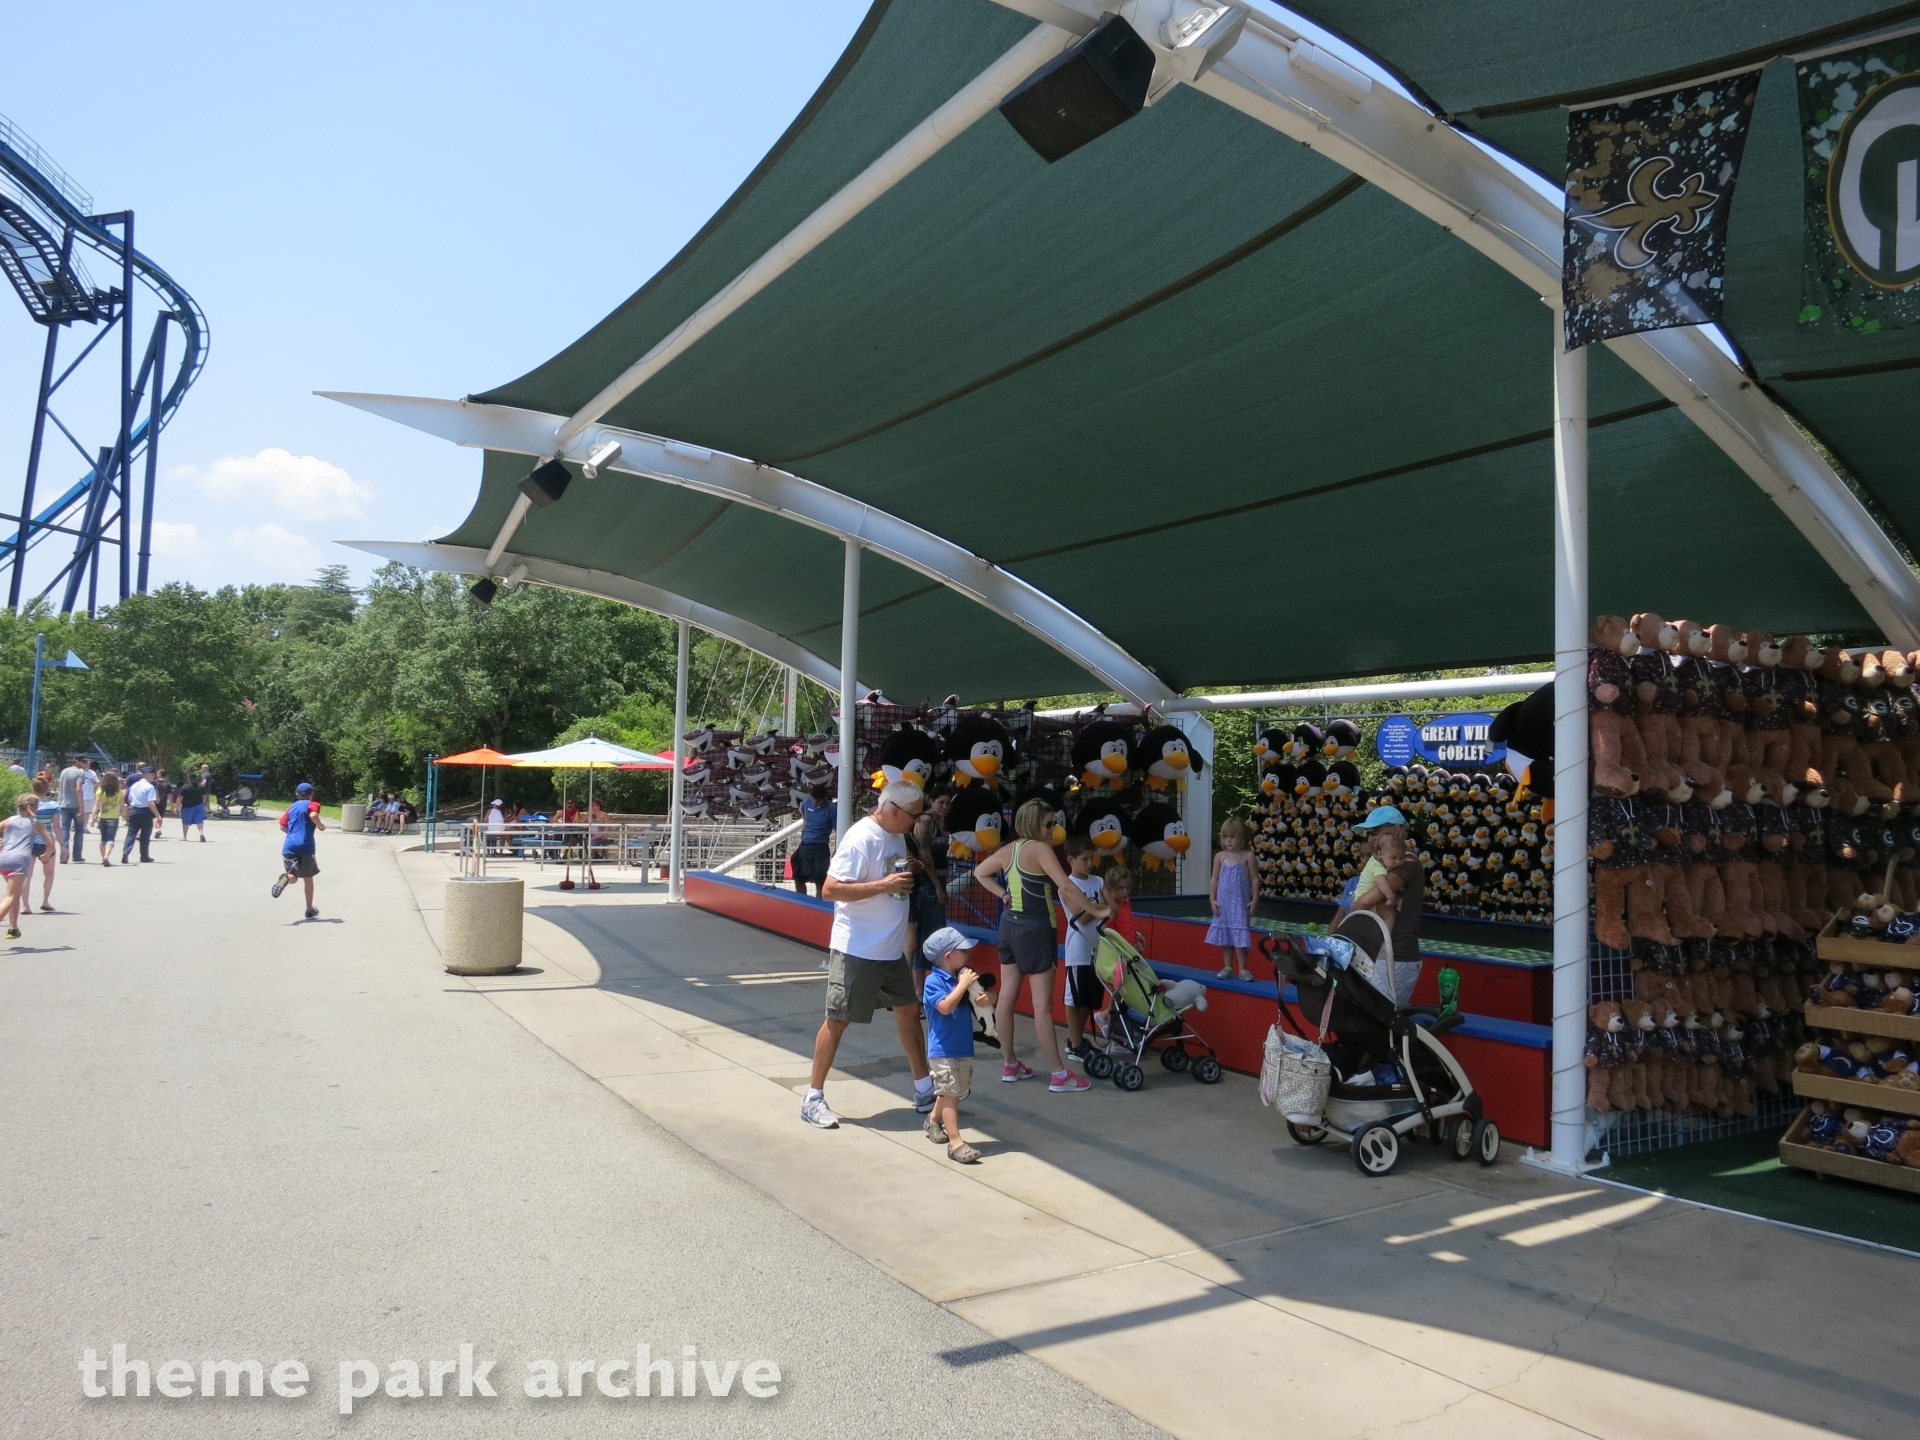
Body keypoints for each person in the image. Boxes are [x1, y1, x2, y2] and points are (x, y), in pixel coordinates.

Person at [800, 781, 932, 1130]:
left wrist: (899, 876)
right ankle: (812, 1098)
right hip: (858, 950)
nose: (917, 821)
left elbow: (890, 877)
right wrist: (884, 885)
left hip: (889, 951)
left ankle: (924, 1089)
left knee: (909, 1011)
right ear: (894, 811)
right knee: (838, 1020)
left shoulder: (896, 835)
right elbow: (831, 890)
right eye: (914, 815)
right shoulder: (861, 837)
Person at [972, 798, 1106, 1093]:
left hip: (1008, 926)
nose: (1053, 828)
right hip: (1036, 928)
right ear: (1034, 824)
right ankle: (1058, 1074)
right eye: (1048, 824)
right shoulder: (1041, 849)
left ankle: (1010, 1064)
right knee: (1042, 1006)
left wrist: (1002, 893)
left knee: (1006, 999)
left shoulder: (1009, 849)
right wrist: (1096, 910)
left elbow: (979, 872)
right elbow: (1066, 885)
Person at [919, 927, 984, 1164]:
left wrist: (986, 998)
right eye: (963, 951)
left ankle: (932, 1120)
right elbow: (945, 1007)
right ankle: (956, 1143)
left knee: (953, 1090)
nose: (968, 954)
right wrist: (963, 984)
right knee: (950, 1094)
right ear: (948, 956)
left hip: (962, 1047)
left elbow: (986, 999)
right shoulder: (933, 981)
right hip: (942, 1050)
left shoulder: (962, 978)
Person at [1058, 837, 1107, 1063]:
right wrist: (1100, 908)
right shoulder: (1067, 885)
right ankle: (1076, 1045)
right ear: (1071, 859)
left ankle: (1075, 1040)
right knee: (1074, 999)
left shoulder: (1098, 881)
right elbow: (1082, 918)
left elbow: (1113, 908)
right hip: (1078, 949)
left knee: (1089, 999)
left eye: (1092, 858)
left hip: (1098, 949)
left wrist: (1095, 908)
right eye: (1085, 859)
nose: (1090, 863)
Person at [1207, 816, 1260, 980]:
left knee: (1240, 935)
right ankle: (1228, 966)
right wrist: (1212, 899)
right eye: (1225, 836)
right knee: (1226, 936)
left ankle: (1243, 968)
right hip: (1223, 904)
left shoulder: (1247, 856)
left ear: (1241, 837)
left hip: (1239, 904)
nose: (1228, 840)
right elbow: (1214, 879)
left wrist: (1255, 899)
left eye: (1232, 836)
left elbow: (1255, 879)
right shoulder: (1219, 857)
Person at [0, 793, 49, 939]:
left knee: (15, 892)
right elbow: (50, 844)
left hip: (3, 859)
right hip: (19, 861)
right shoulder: (36, 824)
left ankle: (13, 928)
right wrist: (46, 855)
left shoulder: (8, 821)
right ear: (34, 808)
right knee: (10, 896)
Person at [273, 782, 326, 918]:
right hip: (306, 846)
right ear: (312, 794)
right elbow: (313, 815)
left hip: (289, 845)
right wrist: (321, 826)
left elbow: (282, 826)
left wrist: (292, 835)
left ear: (297, 794)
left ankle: (286, 878)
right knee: (308, 877)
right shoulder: (313, 804)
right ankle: (309, 909)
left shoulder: (292, 807)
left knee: (293, 875)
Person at [792, 784, 834, 897]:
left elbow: (838, 828)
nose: (815, 803)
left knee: (820, 881)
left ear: (825, 798)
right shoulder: (806, 803)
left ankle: (818, 904)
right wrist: (807, 823)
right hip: (805, 845)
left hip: (820, 847)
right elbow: (802, 810)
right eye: (813, 800)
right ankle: (801, 902)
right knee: (799, 878)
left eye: (818, 801)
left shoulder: (832, 809)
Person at [31, 778, 59, 909]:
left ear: (33, 788)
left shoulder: (28, 804)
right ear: (47, 789)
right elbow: (57, 826)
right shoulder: (53, 805)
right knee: (49, 873)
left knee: (26, 875)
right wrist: (63, 845)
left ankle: (25, 905)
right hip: (47, 842)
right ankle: (45, 901)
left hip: (30, 841)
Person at [121, 767, 159, 863]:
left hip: (134, 810)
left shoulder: (134, 785)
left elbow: (129, 799)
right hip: (145, 811)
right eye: (152, 775)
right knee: (145, 835)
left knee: (131, 833)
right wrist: (158, 815)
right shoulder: (150, 787)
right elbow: (151, 802)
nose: (154, 776)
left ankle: (126, 851)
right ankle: (144, 856)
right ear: (146, 775)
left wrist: (128, 811)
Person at [57, 755, 90, 863]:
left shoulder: (64, 771)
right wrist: (81, 806)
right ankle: (77, 855)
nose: (85, 764)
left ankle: (64, 856)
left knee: (65, 830)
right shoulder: (80, 773)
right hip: (75, 805)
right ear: (78, 762)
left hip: (63, 804)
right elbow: (78, 789)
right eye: (84, 762)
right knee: (79, 829)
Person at [95, 771, 122, 867]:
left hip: (102, 817)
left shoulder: (100, 791)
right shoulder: (119, 792)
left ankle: (103, 858)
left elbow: (96, 805)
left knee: (103, 839)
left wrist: (92, 817)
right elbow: (122, 805)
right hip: (114, 817)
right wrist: (125, 815)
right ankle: (107, 856)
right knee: (110, 839)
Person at [176, 770, 209, 842]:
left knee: (185, 822)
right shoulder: (201, 787)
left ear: (189, 779)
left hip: (187, 807)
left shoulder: (184, 787)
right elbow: (204, 796)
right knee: (199, 820)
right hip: (199, 806)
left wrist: (177, 807)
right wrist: (203, 804)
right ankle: (201, 833)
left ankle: (185, 837)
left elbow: (180, 798)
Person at [151, 768, 171, 838]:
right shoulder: (167, 784)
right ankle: (158, 829)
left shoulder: (154, 783)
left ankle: (158, 829)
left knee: (155, 816)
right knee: (160, 816)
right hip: (163, 802)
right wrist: (171, 804)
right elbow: (169, 795)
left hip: (155, 801)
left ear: (159, 774)